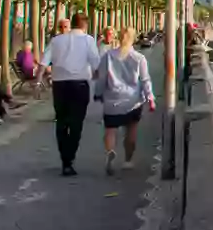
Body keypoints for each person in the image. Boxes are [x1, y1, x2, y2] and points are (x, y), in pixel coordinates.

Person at [42, 11, 102, 176]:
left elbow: (43, 61)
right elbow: (96, 63)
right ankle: (69, 158)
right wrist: (98, 78)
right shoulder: (88, 40)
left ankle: (64, 158)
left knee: (61, 121)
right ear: (85, 25)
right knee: (77, 122)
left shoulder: (56, 40)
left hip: (60, 85)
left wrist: (37, 81)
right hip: (80, 84)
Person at [94, 27, 154, 175]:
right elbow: (145, 80)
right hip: (132, 100)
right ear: (133, 39)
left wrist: (98, 93)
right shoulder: (139, 58)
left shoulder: (108, 56)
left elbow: (101, 79)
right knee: (131, 130)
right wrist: (150, 98)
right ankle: (128, 160)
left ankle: (110, 151)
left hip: (112, 99)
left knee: (110, 130)